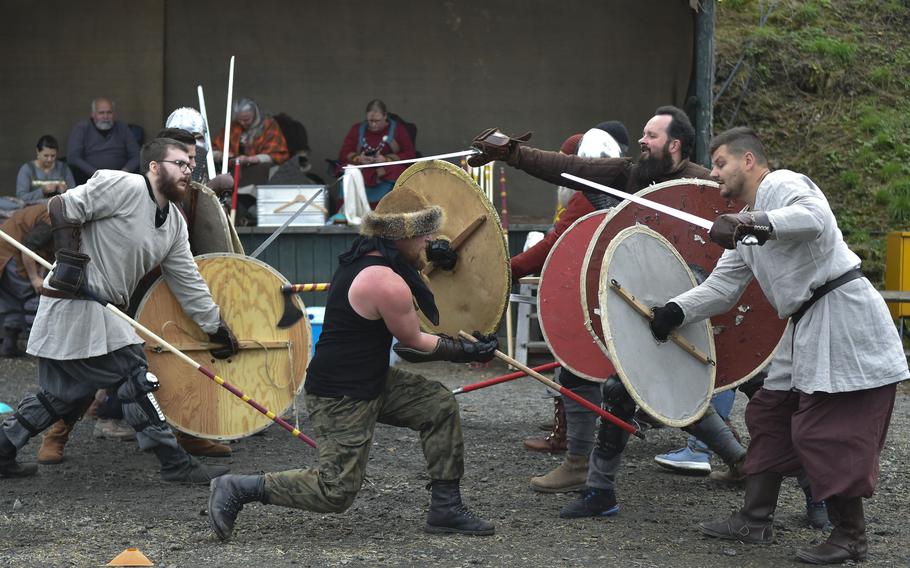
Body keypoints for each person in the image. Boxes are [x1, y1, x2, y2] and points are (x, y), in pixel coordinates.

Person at [649, 127, 907, 564]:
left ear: (749, 161)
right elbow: (721, 290)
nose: (714, 174)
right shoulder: (746, 225)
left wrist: (752, 223)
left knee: (828, 428)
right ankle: (755, 518)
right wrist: (674, 310)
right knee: (770, 414)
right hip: (806, 323)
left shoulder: (782, 184)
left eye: (721, 163)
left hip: (842, 315)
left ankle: (851, 535)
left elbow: (815, 219)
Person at [470, 108, 748, 511]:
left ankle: (775, 476)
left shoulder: (706, 184)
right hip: (636, 299)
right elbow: (567, 168)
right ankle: (587, 470)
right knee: (589, 372)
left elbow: (745, 234)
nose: (641, 141)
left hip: (691, 307)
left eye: (650, 136)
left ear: (674, 145)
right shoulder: (630, 175)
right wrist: (512, 152)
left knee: (672, 387)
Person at [207, 186, 498, 541]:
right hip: (340, 395)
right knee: (335, 491)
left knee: (438, 406)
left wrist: (439, 258)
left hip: (371, 379)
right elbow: (414, 343)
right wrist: (466, 352)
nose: (429, 240)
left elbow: (415, 280)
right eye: (423, 235)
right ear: (400, 236)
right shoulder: (384, 281)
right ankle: (238, 487)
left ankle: (446, 508)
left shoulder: (374, 257)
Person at [0, 137, 238, 485]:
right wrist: (68, 262)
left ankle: (3, 447)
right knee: (135, 376)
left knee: (63, 396)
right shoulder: (123, 185)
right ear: (154, 167)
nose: (187, 171)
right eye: (179, 164)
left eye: (190, 165)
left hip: (104, 309)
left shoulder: (173, 224)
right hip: (75, 303)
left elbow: (188, 281)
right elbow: (62, 206)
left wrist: (215, 326)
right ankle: (175, 463)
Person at [337, 99, 416, 206]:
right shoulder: (357, 129)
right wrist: (358, 158)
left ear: (385, 116)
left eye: (377, 121)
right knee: (347, 171)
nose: (373, 125)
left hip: (386, 169)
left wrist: (386, 159)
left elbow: (410, 154)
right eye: (370, 121)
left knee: (398, 173)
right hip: (362, 168)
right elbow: (344, 152)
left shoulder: (398, 129)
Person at [0, 205, 53, 357]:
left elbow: (42, 252)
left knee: (12, 301)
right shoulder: (51, 219)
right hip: (10, 255)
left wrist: (40, 275)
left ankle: (9, 346)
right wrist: (35, 278)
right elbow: (28, 248)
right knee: (31, 296)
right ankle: (40, 349)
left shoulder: (49, 213)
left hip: (6, 253)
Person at [67, 97, 140, 185]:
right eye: (101, 113)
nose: (105, 117)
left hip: (121, 180)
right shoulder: (82, 128)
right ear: (93, 114)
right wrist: (96, 174)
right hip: (90, 180)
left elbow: (136, 156)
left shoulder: (122, 128)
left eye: (109, 112)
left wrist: (124, 172)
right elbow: (73, 157)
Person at [212, 97, 289, 168]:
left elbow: (277, 154)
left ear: (255, 115)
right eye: (239, 120)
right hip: (235, 170)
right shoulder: (234, 127)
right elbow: (213, 149)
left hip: (262, 170)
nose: (242, 123)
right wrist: (220, 155)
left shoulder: (269, 125)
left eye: (246, 120)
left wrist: (250, 159)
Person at [16, 135, 76, 204]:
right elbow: (21, 197)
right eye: (46, 156)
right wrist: (42, 191)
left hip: (60, 210)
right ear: (37, 151)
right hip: (35, 210)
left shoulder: (64, 169)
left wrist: (66, 191)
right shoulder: (27, 169)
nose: (49, 159)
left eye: (53, 156)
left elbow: (74, 194)